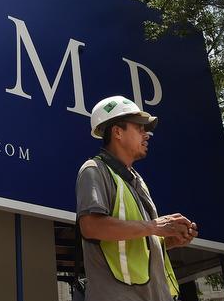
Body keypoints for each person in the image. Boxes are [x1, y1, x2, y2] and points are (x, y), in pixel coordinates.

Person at [76, 97, 197, 300]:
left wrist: (167, 241)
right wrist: (154, 227)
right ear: (117, 132)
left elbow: (130, 244)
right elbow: (91, 227)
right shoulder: (94, 170)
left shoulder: (137, 180)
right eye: (140, 128)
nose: (147, 134)